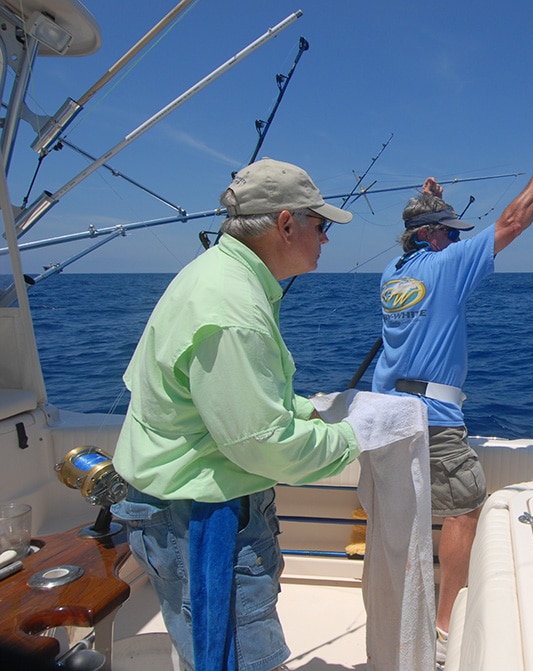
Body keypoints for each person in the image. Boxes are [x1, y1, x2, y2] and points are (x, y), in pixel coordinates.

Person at [111, 158, 368, 671]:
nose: (326, 239)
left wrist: (309, 409)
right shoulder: (233, 306)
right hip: (202, 521)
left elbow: (224, 402)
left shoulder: (218, 275)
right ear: (286, 224)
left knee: (206, 653)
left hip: (177, 509)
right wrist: (358, 434)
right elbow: (264, 444)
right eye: (320, 226)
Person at [372, 146, 533, 668]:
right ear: (432, 237)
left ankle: (394, 614)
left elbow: (415, 235)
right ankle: (441, 629)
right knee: (464, 503)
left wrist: (430, 202)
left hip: (385, 417)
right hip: (432, 419)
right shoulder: (449, 266)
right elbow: (513, 221)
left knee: (401, 514)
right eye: (450, 231)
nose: (458, 238)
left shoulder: (391, 274)